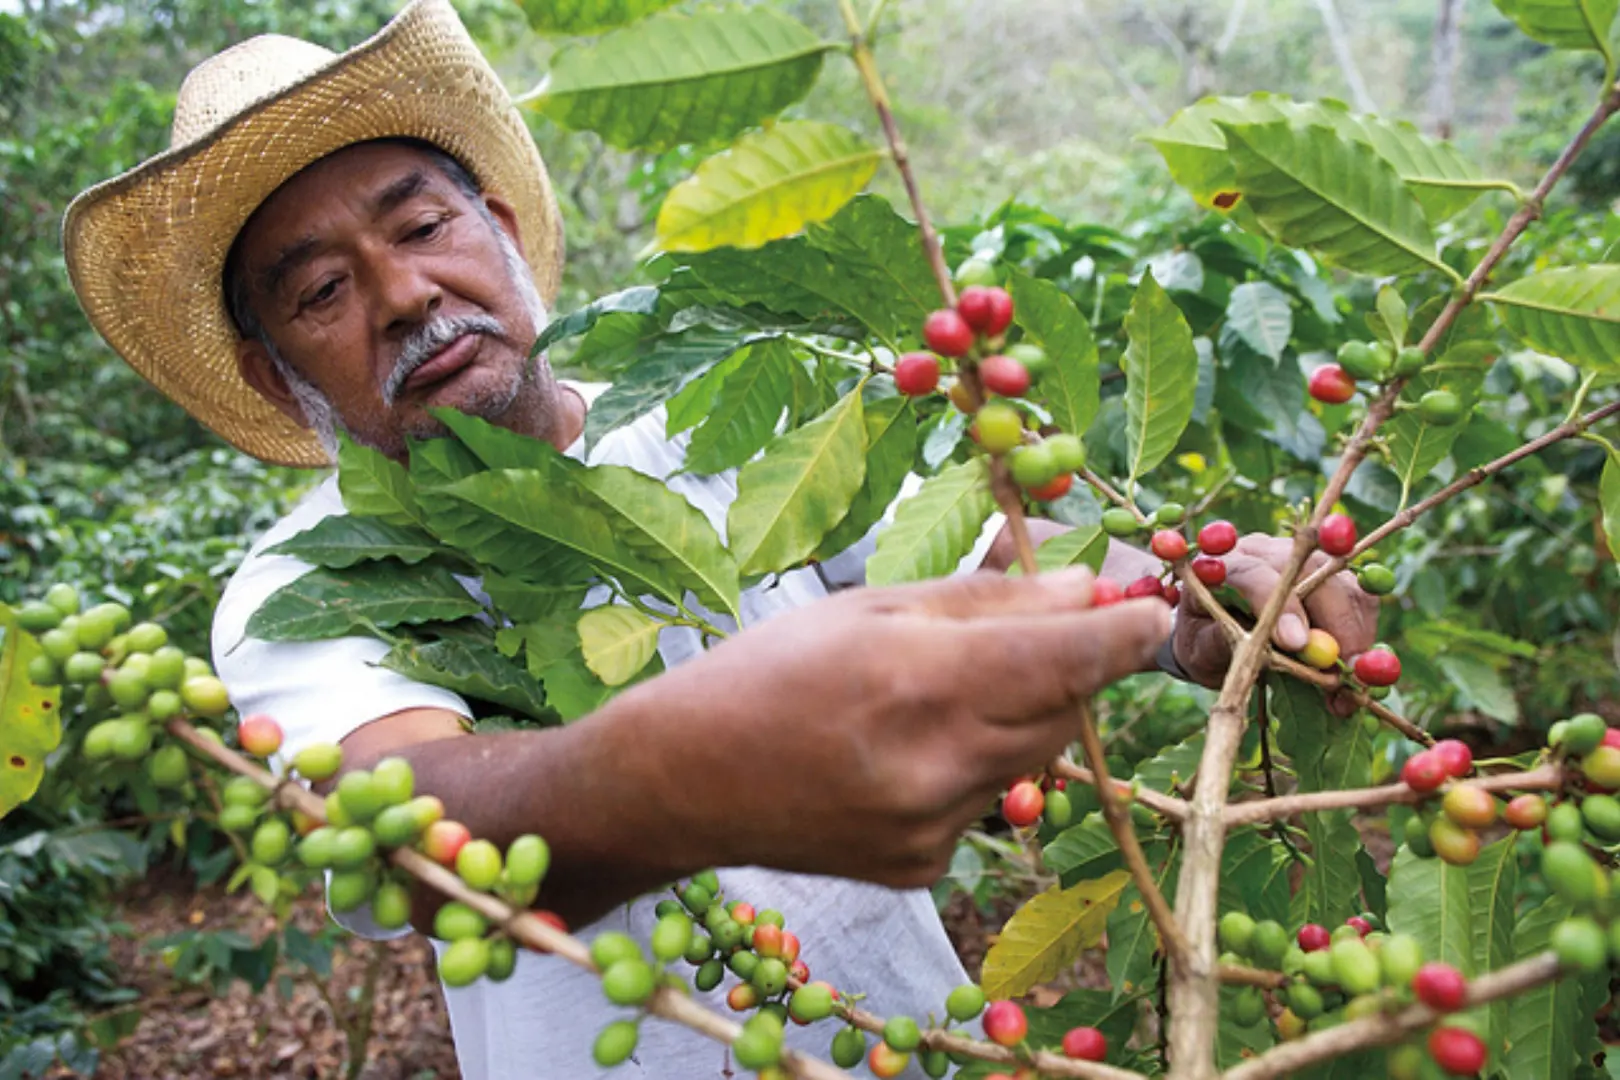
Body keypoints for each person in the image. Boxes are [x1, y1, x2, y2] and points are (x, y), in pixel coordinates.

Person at [63, 3, 1377, 1076]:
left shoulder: (718, 408)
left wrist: (1184, 599)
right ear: (270, 362)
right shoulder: (301, 588)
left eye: (420, 227)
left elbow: (991, 583)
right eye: (322, 291)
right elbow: (412, 823)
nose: (405, 292)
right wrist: (693, 770)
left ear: (502, 233)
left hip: (917, 1048)